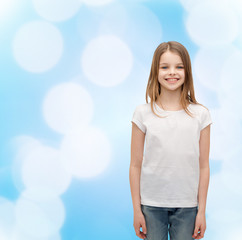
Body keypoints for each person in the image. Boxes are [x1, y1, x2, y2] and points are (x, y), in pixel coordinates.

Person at [129, 41, 213, 240]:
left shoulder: (200, 115)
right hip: (151, 205)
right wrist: (137, 210)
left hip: (187, 207)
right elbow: (135, 165)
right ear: (155, 71)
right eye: (165, 67)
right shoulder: (143, 113)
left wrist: (201, 211)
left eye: (179, 67)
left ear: (187, 71)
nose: (172, 73)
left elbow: (203, 166)